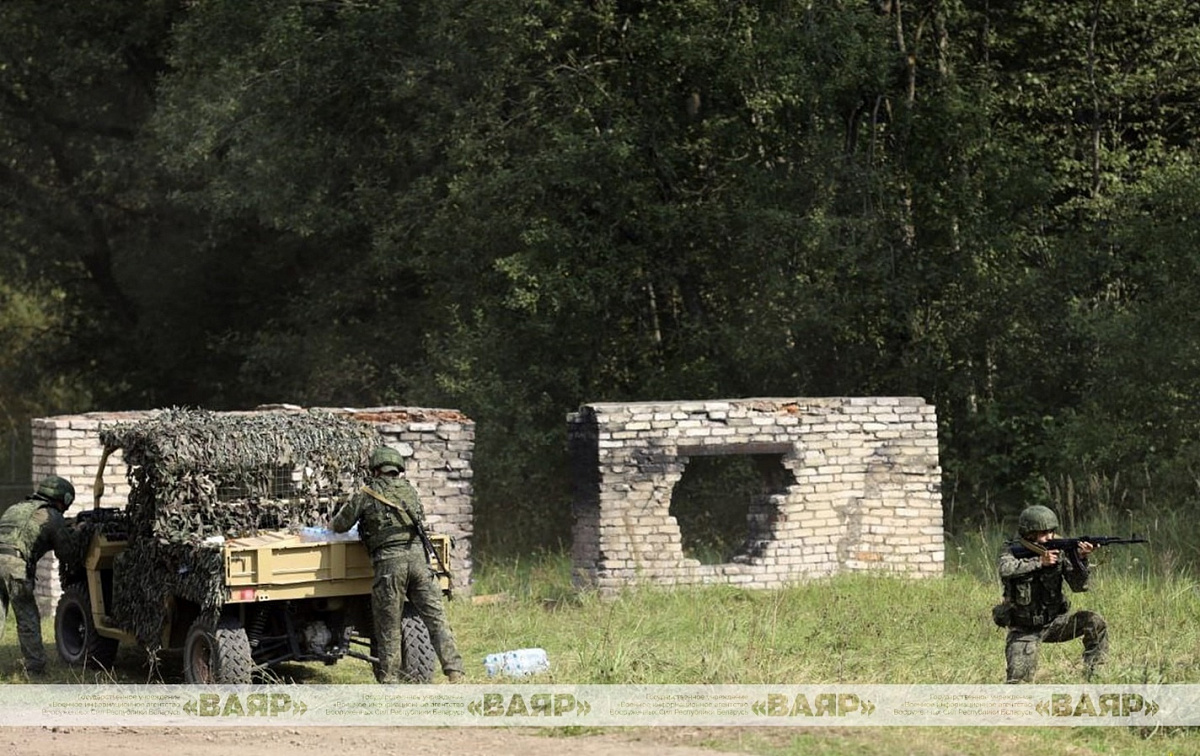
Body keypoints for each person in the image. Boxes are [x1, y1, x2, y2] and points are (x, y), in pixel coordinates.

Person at [331, 446, 464, 683]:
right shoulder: (409, 491)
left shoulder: (366, 493)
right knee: (436, 619)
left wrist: (333, 523)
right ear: (397, 469)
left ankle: (390, 680)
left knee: (389, 625)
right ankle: (455, 671)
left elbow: (340, 525)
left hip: (389, 565)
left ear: (375, 469)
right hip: (420, 562)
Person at [995, 505, 1108, 683]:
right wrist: (1039, 562)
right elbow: (1005, 569)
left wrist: (1081, 558)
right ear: (1029, 533)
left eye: (1051, 531)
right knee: (1019, 682)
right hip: (1024, 630)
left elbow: (1079, 586)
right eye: (1043, 532)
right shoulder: (1012, 550)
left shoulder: (1059, 551)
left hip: (1056, 623)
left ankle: (1095, 677)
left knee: (1095, 621)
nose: (1049, 537)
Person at [0, 475, 79, 675]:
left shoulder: (16, 508)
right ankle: (35, 667)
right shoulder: (52, 516)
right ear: (62, 499)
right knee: (27, 615)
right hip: (15, 566)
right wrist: (75, 534)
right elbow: (67, 554)